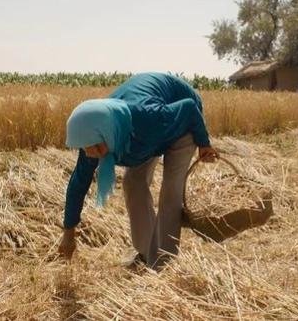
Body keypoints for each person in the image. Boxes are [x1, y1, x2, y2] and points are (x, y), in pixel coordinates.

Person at [58, 72, 218, 270]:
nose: (90, 153)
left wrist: (204, 144)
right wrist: (68, 234)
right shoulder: (95, 136)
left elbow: (188, 108)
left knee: (170, 191)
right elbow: (78, 184)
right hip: (143, 137)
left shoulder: (148, 118)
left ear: (105, 131)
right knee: (133, 184)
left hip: (181, 123)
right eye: (84, 147)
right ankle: (146, 254)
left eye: (92, 145)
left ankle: (164, 263)